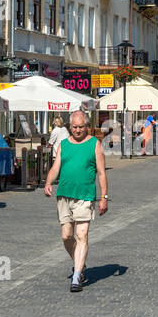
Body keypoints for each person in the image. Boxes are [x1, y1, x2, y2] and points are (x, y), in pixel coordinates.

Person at [44, 110, 110, 292]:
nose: (78, 130)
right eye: (74, 127)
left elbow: (102, 173)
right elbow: (56, 167)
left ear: (86, 126)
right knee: (66, 236)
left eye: (81, 127)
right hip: (64, 194)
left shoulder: (94, 144)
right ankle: (79, 262)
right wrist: (48, 182)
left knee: (82, 235)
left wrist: (104, 197)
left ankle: (77, 276)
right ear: (69, 127)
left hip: (85, 195)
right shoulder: (63, 144)